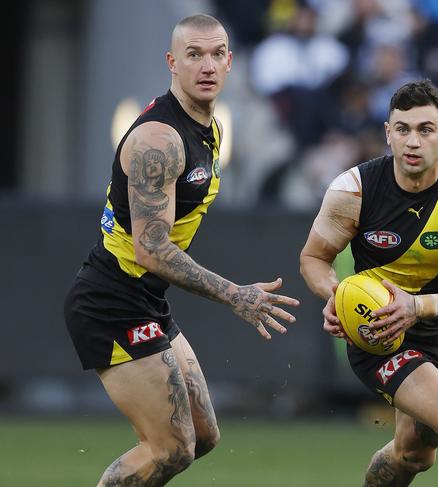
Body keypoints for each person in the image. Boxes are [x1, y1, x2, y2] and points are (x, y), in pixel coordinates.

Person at [64, 14, 299, 486]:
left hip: (145, 300)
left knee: (203, 437)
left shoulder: (211, 128)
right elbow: (151, 250)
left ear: (231, 62)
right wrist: (235, 294)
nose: (207, 65)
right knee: (171, 448)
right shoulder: (160, 139)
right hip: (111, 302)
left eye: (216, 54)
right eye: (194, 55)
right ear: (172, 63)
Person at [300, 79, 438, 486]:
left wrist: (417, 307)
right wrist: (334, 294)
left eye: (426, 129)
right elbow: (313, 259)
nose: (413, 141)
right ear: (388, 133)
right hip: (379, 331)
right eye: (403, 129)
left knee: (413, 453)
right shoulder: (353, 189)